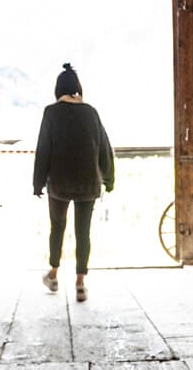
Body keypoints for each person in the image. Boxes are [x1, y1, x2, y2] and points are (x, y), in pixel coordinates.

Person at [33, 63, 115, 302]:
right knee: (83, 232)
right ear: (78, 88)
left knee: (57, 227)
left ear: (58, 89)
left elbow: (43, 149)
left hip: (59, 183)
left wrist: (38, 183)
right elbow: (104, 148)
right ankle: (80, 283)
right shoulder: (91, 112)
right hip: (88, 182)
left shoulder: (51, 112)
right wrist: (109, 179)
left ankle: (54, 274)